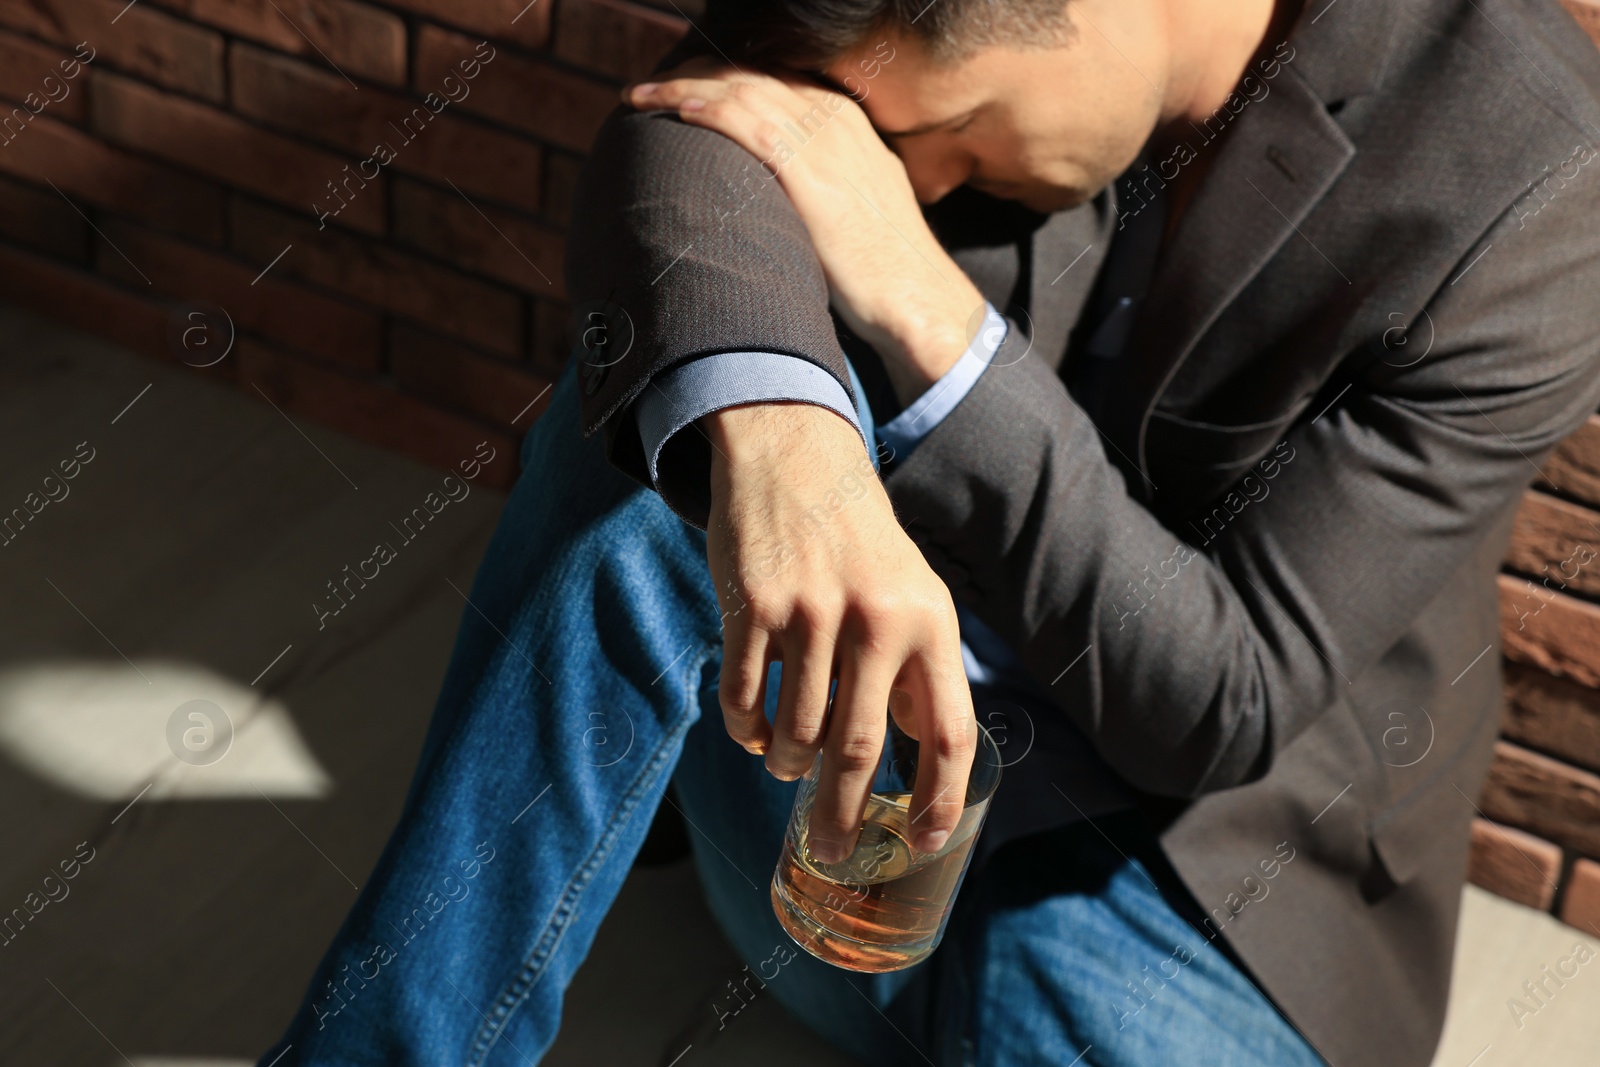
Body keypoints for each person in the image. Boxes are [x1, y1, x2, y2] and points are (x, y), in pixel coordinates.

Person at [260, 0, 1600, 1064]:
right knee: (668, 447)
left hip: (1179, 890)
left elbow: (1217, 704)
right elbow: (696, 127)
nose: (906, 177)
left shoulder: (1531, 181)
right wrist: (790, 443)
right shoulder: (908, 23)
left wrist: (928, 310)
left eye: (948, 130)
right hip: (829, 791)